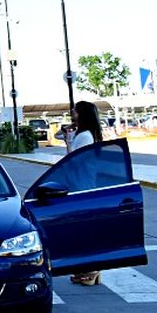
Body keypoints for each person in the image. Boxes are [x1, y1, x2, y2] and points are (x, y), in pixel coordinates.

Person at [67, 101, 105, 287]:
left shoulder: (84, 136)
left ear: (81, 114)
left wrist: (68, 142)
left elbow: (73, 162)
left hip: (80, 188)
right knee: (82, 230)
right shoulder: (90, 134)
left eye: (75, 111)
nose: (72, 113)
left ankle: (91, 270)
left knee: (82, 231)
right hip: (86, 186)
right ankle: (85, 269)